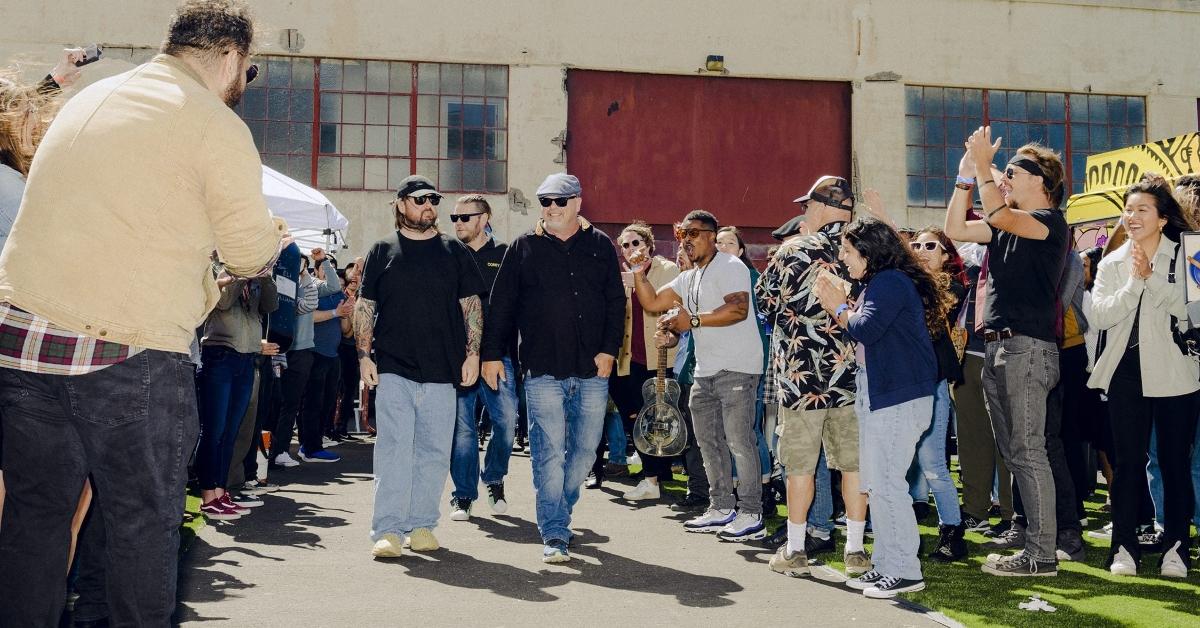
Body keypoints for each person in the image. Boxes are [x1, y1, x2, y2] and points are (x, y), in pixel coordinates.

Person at [0, 1, 285, 624]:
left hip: (22, 343)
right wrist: (274, 235)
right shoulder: (213, 123)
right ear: (233, 58)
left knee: (35, 522)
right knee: (140, 529)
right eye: (250, 70)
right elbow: (248, 252)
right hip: (123, 353)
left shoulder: (96, 94)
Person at [944, 127, 1070, 577]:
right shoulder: (1004, 226)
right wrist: (965, 177)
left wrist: (982, 167)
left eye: (1013, 172)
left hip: (1028, 349)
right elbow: (954, 228)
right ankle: (1035, 547)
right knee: (1016, 452)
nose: (1005, 178)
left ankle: (1042, 555)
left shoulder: (1051, 223)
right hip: (998, 348)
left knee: (1029, 450)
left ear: (1041, 181)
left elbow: (996, 213)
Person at [481, 173, 625, 563]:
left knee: (583, 452)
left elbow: (616, 302)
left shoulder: (600, 247)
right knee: (547, 454)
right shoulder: (523, 248)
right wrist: (491, 354)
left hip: (593, 370)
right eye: (545, 201)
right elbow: (502, 307)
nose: (552, 208)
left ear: (578, 201)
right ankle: (555, 531)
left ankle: (561, 504)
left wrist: (610, 349)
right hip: (542, 369)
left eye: (560, 201)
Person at [357, 175, 485, 559]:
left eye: (433, 199)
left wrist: (473, 353)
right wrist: (364, 355)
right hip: (394, 366)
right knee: (394, 448)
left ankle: (423, 525)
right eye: (419, 199)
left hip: (443, 370)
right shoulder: (383, 250)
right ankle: (389, 530)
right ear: (400, 204)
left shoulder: (454, 250)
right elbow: (366, 306)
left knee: (432, 451)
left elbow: (472, 306)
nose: (428, 205)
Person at [815, 216, 942, 598]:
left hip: (897, 397)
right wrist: (845, 304)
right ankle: (888, 564)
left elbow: (866, 329)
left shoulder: (889, 282)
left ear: (869, 252)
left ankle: (905, 570)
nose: (843, 258)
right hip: (883, 394)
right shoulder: (880, 282)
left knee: (887, 485)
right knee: (878, 483)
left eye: (849, 251)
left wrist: (838, 308)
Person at [757, 176, 870, 578]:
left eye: (808, 205)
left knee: (800, 466)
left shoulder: (794, 249)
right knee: (854, 465)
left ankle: (796, 548)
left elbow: (765, 302)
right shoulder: (865, 247)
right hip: (849, 375)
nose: (804, 211)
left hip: (800, 380)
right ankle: (856, 551)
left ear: (822, 207)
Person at [1087, 173, 1198, 578]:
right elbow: (1098, 315)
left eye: (1141, 210)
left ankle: (1177, 549)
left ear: (1163, 218)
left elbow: (1192, 313)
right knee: (1127, 463)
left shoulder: (1189, 255)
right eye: (1128, 209)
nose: (1131, 216)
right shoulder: (1112, 262)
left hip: (1177, 373)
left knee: (1174, 464)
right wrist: (1135, 283)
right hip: (1124, 375)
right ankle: (1124, 549)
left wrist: (1154, 279)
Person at [634, 210, 765, 541]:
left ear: (711, 235)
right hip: (704, 370)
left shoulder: (731, 267)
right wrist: (638, 271)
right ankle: (721, 507)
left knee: (738, 441)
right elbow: (651, 302)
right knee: (708, 443)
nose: (687, 240)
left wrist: (689, 321)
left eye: (693, 233)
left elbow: (738, 309)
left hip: (737, 366)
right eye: (682, 235)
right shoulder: (688, 277)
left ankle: (751, 512)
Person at [448, 194, 518, 520]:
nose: (458, 223)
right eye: (454, 218)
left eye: (465, 217)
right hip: (457, 359)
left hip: (497, 358)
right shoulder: (448, 255)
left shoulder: (505, 256)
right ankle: (463, 494)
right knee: (462, 431)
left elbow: (514, 310)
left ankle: (493, 477)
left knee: (505, 424)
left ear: (484, 217)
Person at [195, 264, 279, 519]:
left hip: (246, 357)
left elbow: (270, 305)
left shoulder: (255, 277)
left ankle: (221, 492)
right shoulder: (215, 270)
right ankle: (208, 495)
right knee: (214, 430)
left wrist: (264, 278)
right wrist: (240, 275)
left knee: (231, 431)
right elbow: (222, 302)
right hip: (219, 354)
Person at [906, 227, 968, 562]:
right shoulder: (904, 281)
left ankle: (952, 534)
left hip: (932, 383)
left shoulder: (951, 285)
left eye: (930, 245)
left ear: (945, 254)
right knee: (900, 464)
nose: (921, 249)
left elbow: (935, 309)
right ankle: (903, 535)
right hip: (902, 383)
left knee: (932, 464)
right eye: (915, 244)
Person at [611, 221, 679, 501]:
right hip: (627, 357)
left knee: (654, 416)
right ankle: (656, 470)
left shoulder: (667, 270)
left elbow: (663, 305)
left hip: (658, 357)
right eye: (625, 245)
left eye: (636, 243)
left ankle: (652, 478)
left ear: (649, 245)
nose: (630, 249)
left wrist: (638, 282)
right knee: (632, 414)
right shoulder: (623, 274)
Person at [716, 225, 776, 514]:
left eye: (729, 243)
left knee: (749, 431)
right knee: (732, 431)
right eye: (718, 243)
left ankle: (763, 492)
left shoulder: (752, 280)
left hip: (749, 365)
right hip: (723, 365)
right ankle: (740, 490)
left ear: (741, 250)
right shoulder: (713, 279)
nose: (722, 248)